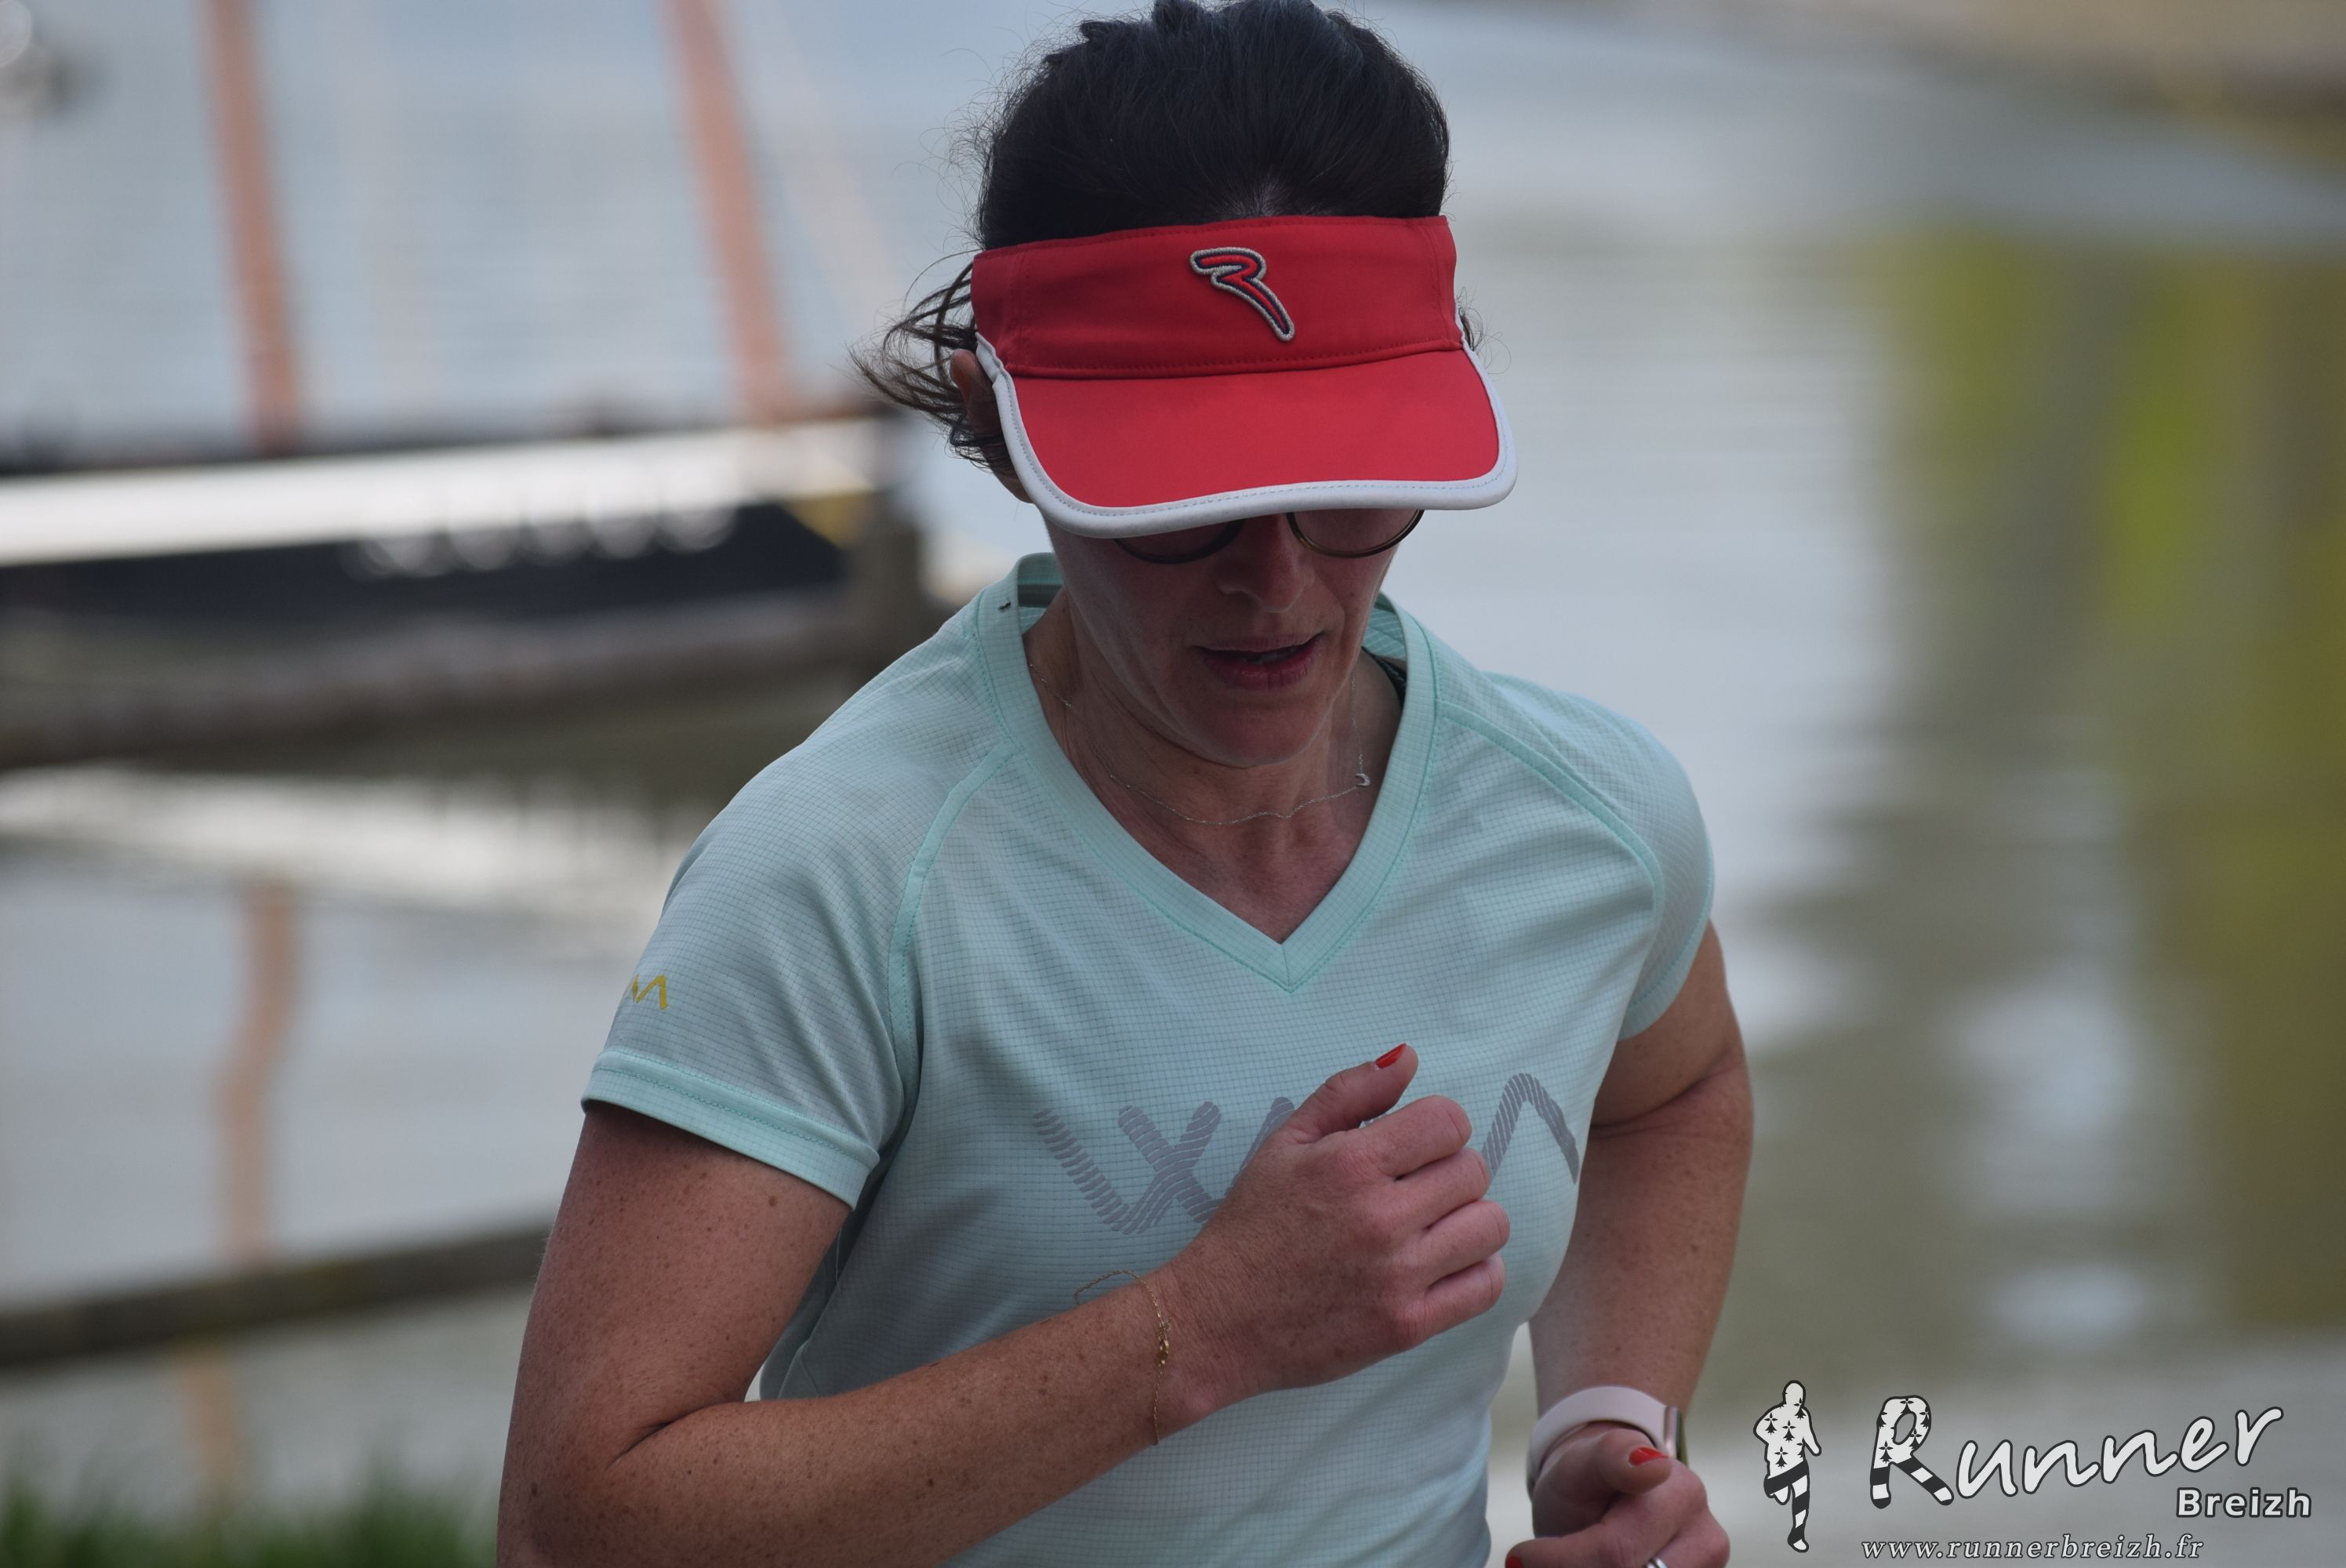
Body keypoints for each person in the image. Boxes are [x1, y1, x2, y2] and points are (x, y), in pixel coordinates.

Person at [496, 2, 1751, 1565]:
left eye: (1347, 487)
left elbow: (1675, 1091)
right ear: (1007, 432)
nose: (1276, 583)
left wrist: (1601, 1431)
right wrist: (1198, 1329)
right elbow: (574, 1520)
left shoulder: (1593, 822)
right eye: (1183, 501)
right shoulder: (838, 875)